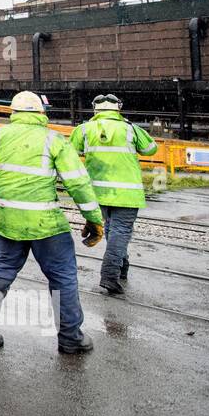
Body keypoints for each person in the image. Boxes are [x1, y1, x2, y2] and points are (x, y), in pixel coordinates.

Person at [0, 91, 103, 354]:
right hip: (46, 224)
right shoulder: (53, 139)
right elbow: (77, 181)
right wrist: (93, 218)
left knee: (3, 269)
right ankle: (70, 337)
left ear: (13, 113)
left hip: (8, 220)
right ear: (41, 113)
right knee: (63, 277)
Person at [69, 94, 159, 295]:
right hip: (127, 194)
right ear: (118, 109)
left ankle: (122, 268)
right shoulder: (130, 129)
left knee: (112, 229)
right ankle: (110, 275)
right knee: (120, 231)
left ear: (95, 109)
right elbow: (151, 149)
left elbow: (69, 154)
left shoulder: (83, 129)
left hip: (98, 192)